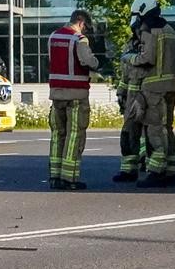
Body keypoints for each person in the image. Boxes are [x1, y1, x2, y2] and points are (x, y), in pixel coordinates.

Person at [130, 0, 175, 188]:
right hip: (170, 87)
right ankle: (171, 170)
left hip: (153, 88)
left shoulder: (148, 30)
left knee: (154, 131)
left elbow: (147, 58)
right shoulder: (169, 29)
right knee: (167, 129)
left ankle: (156, 171)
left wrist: (130, 58)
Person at [47, 10, 101, 190]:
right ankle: (69, 178)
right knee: (74, 135)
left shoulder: (53, 37)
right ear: (80, 22)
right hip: (76, 95)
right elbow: (87, 61)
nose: (84, 30)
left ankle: (54, 176)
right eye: (85, 26)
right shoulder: (78, 39)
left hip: (56, 94)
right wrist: (96, 63)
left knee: (57, 134)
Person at [114, 31, 148, 183]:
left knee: (152, 134)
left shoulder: (151, 43)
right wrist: (121, 92)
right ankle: (129, 169)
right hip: (132, 98)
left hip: (149, 95)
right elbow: (125, 74)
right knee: (128, 134)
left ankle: (152, 167)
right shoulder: (130, 44)